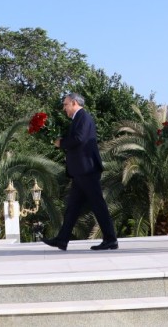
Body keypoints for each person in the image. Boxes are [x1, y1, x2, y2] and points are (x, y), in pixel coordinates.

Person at [43, 93, 118, 251]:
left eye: (65, 104)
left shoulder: (83, 117)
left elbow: (79, 139)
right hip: (81, 170)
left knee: (98, 205)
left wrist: (61, 143)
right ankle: (62, 240)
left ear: (74, 103)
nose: (64, 108)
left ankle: (110, 239)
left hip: (87, 169)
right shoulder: (78, 118)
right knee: (73, 206)